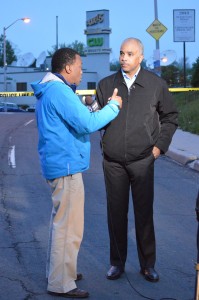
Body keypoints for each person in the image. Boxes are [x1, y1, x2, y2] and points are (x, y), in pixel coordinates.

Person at [31, 47, 122, 298]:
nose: (82, 71)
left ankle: (62, 271)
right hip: (66, 167)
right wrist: (113, 106)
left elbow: (79, 118)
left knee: (64, 225)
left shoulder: (52, 89)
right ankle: (61, 283)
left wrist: (92, 108)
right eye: (80, 67)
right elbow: (87, 124)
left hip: (61, 165)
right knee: (68, 228)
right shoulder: (59, 91)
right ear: (68, 67)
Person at [96, 38, 178, 283]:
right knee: (116, 214)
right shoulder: (106, 84)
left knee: (144, 215)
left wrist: (158, 149)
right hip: (113, 162)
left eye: (130, 54)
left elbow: (171, 117)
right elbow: (94, 116)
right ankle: (117, 263)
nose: (123, 58)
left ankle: (147, 265)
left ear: (140, 57)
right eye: (121, 53)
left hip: (143, 160)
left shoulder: (155, 84)